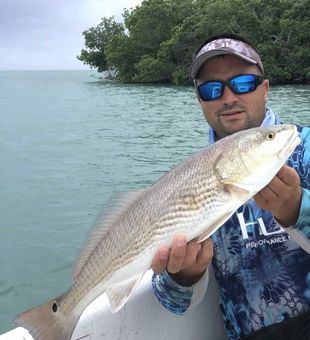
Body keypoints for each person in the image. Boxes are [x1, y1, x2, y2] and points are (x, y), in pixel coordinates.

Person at [151, 33, 310, 340]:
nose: (228, 98)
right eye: (212, 89)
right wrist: (184, 276)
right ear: (200, 101)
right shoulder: (189, 181)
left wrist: (297, 210)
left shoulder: (303, 149)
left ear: (265, 89)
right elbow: (172, 302)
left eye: (243, 83)